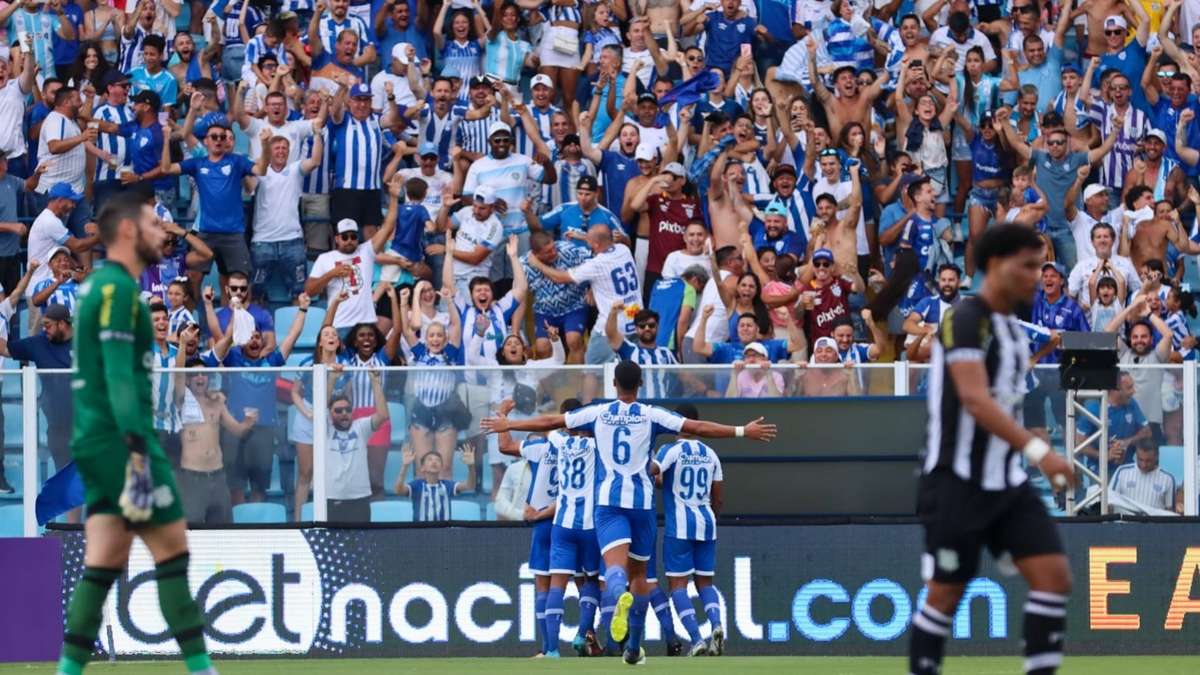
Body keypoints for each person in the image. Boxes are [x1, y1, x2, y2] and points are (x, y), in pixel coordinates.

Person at [481, 360, 776, 665]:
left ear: (614, 385)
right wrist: (743, 430)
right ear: (641, 385)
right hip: (642, 505)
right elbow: (697, 428)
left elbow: (552, 421)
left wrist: (509, 424)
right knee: (641, 576)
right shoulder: (651, 414)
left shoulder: (598, 413)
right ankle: (633, 647)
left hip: (609, 505)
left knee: (615, 572)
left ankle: (615, 599)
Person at [56, 190, 216, 675]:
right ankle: (202, 668)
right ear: (127, 231)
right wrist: (137, 454)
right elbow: (120, 374)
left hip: (94, 443)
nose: (161, 231)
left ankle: (67, 671)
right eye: (152, 223)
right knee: (172, 553)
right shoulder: (120, 290)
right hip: (122, 443)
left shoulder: (99, 288)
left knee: (103, 562)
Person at [910, 224, 1075, 675]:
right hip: (955, 481)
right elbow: (974, 399)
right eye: (1028, 266)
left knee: (1054, 578)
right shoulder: (966, 318)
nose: (1036, 277)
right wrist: (1043, 453)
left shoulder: (1012, 330)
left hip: (1007, 483)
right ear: (997, 265)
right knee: (944, 595)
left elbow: (1005, 396)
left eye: (1040, 267)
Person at [650, 402, 726, 657]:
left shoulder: (670, 450)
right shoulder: (711, 453)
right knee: (705, 583)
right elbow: (718, 497)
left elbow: (655, 472)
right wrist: (712, 516)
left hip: (679, 526)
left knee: (678, 586)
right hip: (707, 523)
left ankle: (696, 638)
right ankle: (716, 624)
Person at [158, 117, 257, 286]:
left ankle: (230, 313)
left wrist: (266, 144)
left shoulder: (237, 161)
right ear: (206, 141)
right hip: (205, 232)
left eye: (222, 137)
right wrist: (166, 140)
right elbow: (166, 168)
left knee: (235, 282)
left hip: (233, 233)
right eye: (214, 137)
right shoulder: (198, 163)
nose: (219, 140)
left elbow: (260, 170)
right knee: (193, 279)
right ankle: (190, 313)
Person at [305, 174, 402, 328]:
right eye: (345, 236)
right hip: (339, 324)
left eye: (353, 236)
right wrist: (331, 274)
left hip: (367, 323)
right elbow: (309, 291)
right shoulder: (325, 258)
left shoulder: (366, 250)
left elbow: (388, 226)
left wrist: (394, 198)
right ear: (337, 239)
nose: (350, 240)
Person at [324, 369, 389, 522]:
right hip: (332, 497)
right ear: (330, 413)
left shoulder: (361, 427)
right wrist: (332, 380)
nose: (344, 413)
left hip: (360, 497)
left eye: (347, 409)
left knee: (361, 545)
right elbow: (320, 409)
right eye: (338, 411)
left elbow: (383, 415)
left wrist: (375, 381)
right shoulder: (324, 430)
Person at [394, 444, 477, 522]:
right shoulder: (416, 485)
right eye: (430, 459)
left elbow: (470, 486)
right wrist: (405, 466)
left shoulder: (447, 485)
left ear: (441, 468)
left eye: (437, 460)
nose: (434, 462)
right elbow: (398, 490)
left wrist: (471, 466)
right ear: (422, 468)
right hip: (420, 532)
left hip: (444, 532)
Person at [1109, 439, 1176, 512]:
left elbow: (1170, 511)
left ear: (1157, 457)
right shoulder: (1122, 472)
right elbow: (1109, 500)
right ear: (1136, 455)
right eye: (1140, 460)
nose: (1144, 465)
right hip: (1125, 522)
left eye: (1148, 461)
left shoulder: (1168, 479)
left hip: (1153, 523)